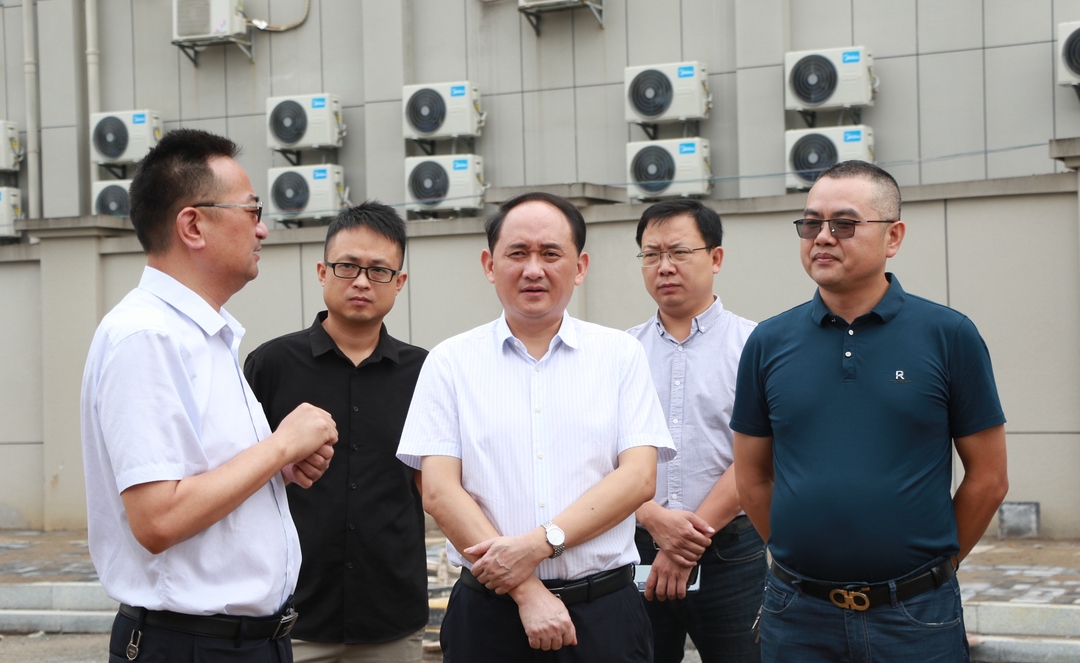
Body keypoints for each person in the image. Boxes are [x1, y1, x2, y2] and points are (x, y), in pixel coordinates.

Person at [731, 160, 1009, 662]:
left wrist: (933, 570)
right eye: (811, 223)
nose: (822, 237)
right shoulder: (768, 342)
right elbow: (752, 478)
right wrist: (803, 557)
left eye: (844, 224)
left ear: (893, 236)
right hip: (797, 615)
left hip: (916, 617)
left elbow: (988, 479)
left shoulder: (949, 336)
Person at [80, 129, 338, 663]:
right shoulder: (147, 337)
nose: (262, 228)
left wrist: (279, 470)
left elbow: (200, 478)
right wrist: (281, 446)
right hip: (191, 645)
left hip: (246, 641)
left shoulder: (203, 334)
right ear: (193, 225)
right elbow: (158, 519)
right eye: (252, 210)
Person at [396, 191, 676, 662]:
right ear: (489, 264)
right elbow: (440, 492)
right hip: (489, 617)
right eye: (517, 253)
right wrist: (527, 591)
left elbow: (638, 478)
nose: (533, 269)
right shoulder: (450, 362)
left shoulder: (620, 356)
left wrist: (539, 544)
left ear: (580, 267)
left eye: (550, 253)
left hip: (603, 614)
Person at [244, 202, 428, 663]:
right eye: (348, 266)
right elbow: (241, 473)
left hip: (391, 617)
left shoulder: (426, 373)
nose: (362, 281)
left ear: (400, 282)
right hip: (290, 616)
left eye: (379, 270)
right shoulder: (271, 364)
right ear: (323, 272)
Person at [627, 199, 765, 663]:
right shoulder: (620, 353)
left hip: (732, 552)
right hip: (636, 546)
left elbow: (760, 457)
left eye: (680, 252)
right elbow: (601, 455)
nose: (664, 266)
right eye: (652, 254)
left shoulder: (755, 345)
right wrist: (652, 518)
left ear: (716, 257)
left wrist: (684, 544)